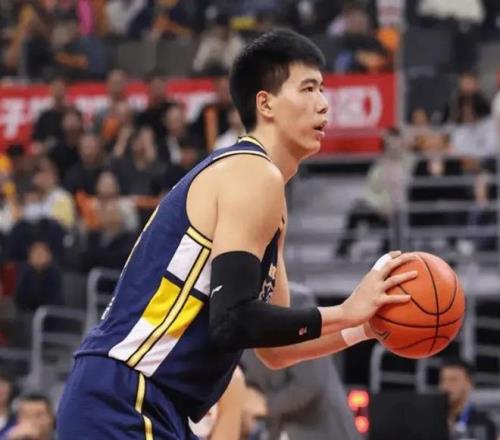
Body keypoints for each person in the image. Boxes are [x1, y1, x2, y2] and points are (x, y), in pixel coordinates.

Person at [57, 29, 417, 439]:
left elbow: (276, 349)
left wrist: (364, 327)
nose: (323, 103)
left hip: (141, 399)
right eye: (308, 88)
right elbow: (231, 321)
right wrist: (347, 310)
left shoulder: (265, 191)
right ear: (265, 103)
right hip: (125, 395)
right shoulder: (251, 172)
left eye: (323, 89)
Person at [439, 358, 497, 440]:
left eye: (453, 380)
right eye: (443, 380)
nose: (446, 386)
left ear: (469, 383)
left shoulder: (484, 423)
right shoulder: (430, 420)